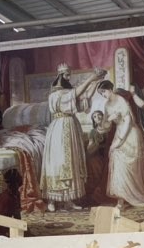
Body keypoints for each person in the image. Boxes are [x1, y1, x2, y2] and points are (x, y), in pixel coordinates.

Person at [40, 63, 104, 212]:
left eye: (70, 75)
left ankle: (68, 200)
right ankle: (52, 199)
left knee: (71, 163)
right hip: (59, 129)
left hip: (71, 128)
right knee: (58, 162)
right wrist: (91, 78)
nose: (69, 78)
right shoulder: (55, 94)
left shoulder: (69, 92)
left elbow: (84, 98)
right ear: (60, 76)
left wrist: (96, 82)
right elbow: (75, 94)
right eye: (66, 75)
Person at [97, 81, 144, 207]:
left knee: (129, 166)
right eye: (101, 93)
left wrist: (119, 140)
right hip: (119, 132)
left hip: (130, 134)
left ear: (110, 89)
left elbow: (128, 121)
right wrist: (108, 120)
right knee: (117, 162)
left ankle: (132, 195)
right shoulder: (107, 105)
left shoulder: (121, 100)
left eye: (104, 91)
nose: (103, 95)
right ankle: (121, 198)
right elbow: (106, 125)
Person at [84, 109, 113, 205]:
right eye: (95, 117)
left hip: (110, 153)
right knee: (93, 164)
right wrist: (95, 143)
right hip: (99, 155)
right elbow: (89, 148)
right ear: (94, 121)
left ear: (103, 116)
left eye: (99, 115)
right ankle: (94, 195)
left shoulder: (110, 129)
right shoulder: (93, 132)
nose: (97, 117)